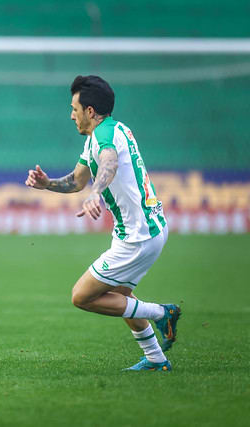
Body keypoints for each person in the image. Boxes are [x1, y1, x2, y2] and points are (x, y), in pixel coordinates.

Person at [25, 75, 181, 371]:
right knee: (119, 296)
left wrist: (96, 194)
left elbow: (110, 161)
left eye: (74, 108)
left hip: (138, 237)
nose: (71, 115)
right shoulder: (108, 131)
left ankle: (162, 313)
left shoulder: (103, 136)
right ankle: (156, 358)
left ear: (90, 111)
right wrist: (47, 184)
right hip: (145, 230)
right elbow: (76, 181)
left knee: (81, 296)